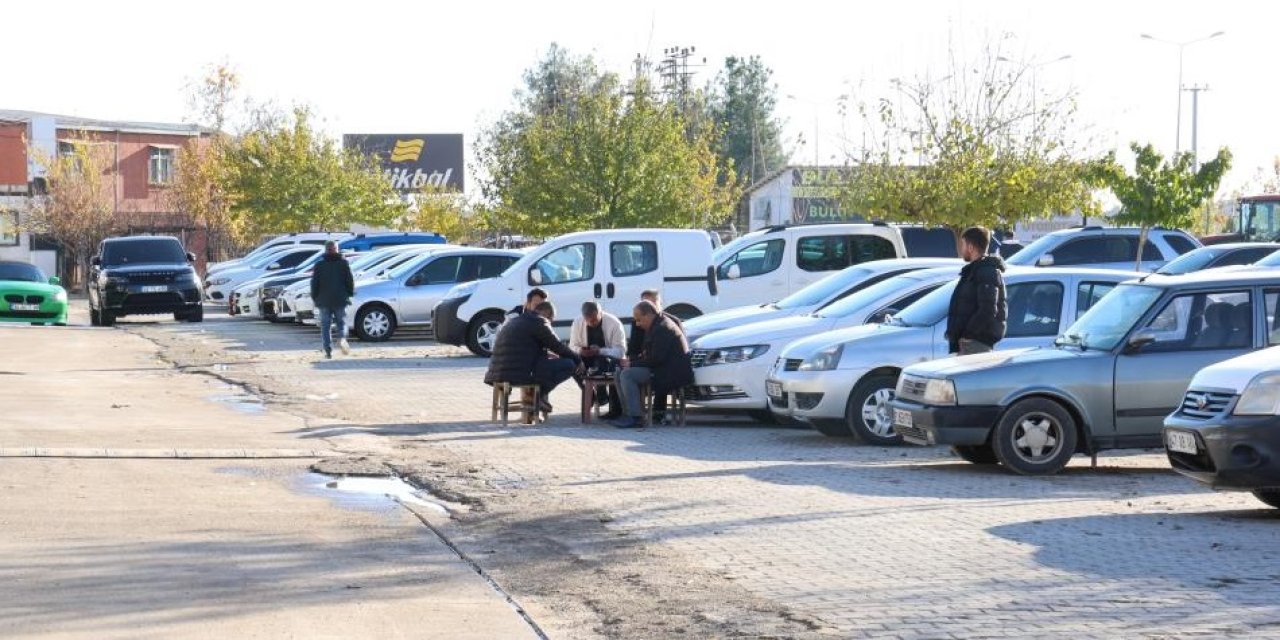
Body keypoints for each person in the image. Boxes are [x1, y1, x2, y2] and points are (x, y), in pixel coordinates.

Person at [484, 300, 582, 415]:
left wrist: (547, 354)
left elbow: (521, 350)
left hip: (497, 373)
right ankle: (538, 396)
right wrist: (578, 360)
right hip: (519, 374)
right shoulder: (539, 321)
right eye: (552, 319)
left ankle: (536, 399)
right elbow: (557, 346)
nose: (551, 322)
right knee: (569, 364)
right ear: (548, 314)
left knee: (550, 365)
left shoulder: (514, 321)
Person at [611, 300, 693, 429]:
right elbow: (650, 354)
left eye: (639, 320)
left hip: (669, 373)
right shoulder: (655, 324)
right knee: (618, 372)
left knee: (627, 374)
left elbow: (656, 359)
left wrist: (632, 364)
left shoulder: (662, 328)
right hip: (660, 368)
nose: (637, 324)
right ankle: (627, 413)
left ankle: (636, 417)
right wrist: (633, 361)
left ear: (648, 315)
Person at [946, 226, 1008, 356]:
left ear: (970, 247)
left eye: (962, 244)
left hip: (975, 344)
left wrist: (968, 335)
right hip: (968, 344)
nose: (960, 249)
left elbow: (988, 309)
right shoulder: (974, 270)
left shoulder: (986, 271)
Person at [570, 301, 627, 419]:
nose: (592, 323)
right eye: (589, 321)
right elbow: (572, 346)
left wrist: (600, 351)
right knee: (571, 364)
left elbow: (620, 351)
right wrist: (581, 350)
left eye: (595, 320)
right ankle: (591, 396)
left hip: (607, 358)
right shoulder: (577, 322)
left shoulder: (614, 323)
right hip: (586, 357)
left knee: (603, 364)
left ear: (600, 313)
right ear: (584, 317)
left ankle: (610, 404)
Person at [310, 240, 355, 359]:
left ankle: (327, 350)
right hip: (340, 299)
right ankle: (342, 338)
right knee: (342, 322)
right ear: (337, 249)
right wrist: (349, 293)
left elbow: (314, 283)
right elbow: (349, 281)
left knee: (325, 326)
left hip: (324, 300)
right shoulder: (343, 263)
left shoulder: (319, 265)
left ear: (326, 250)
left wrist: (315, 297)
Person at [626, 289, 683, 361]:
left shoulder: (673, 322)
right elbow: (633, 350)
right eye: (645, 304)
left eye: (653, 303)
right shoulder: (637, 323)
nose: (649, 307)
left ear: (660, 303)